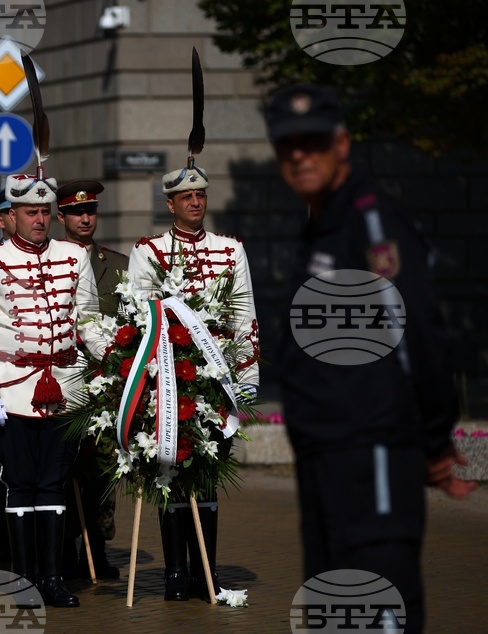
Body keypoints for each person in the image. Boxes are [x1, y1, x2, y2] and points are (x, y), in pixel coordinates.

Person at [265, 84, 475, 631]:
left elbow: (423, 335)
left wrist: (436, 440)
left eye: (312, 142)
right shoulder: (320, 224)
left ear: (343, 144)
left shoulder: (373, 219)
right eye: (288, 146)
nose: (300, 156)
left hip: (376, 454)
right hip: (324, 461)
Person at [0, 172, 106, 608]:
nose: (40, 219)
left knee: (54, 483)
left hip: (65, 387)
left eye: (45, 211)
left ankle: (52, 577)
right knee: (21, 484)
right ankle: (23, 579)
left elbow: (88, 318)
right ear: (13, 215)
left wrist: (113, 360)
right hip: (13, 390)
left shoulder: (74, 255)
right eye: (31, 212)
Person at [128, 163, 259, 601]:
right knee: (170, 470)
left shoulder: (230, 250)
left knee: (207, 477)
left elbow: (245, 320)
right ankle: (174, 574)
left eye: (201, 194)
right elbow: (138, 319)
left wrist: (247, 379)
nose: (196, 201)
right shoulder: (149, 251)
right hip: (168, 381)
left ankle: (206, 571)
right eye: (186, 197)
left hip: (216, 383)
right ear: (170, 203)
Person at [55, 180, 128, 579]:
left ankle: (98, 546)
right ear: (61, 217)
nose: (85, 218)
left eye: (91, 211)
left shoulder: (116, 264)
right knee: (64, 465)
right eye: (76, 213)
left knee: (102, 465)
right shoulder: (51, 260)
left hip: (106, 379)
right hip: (64, 377)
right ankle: (66, 546)